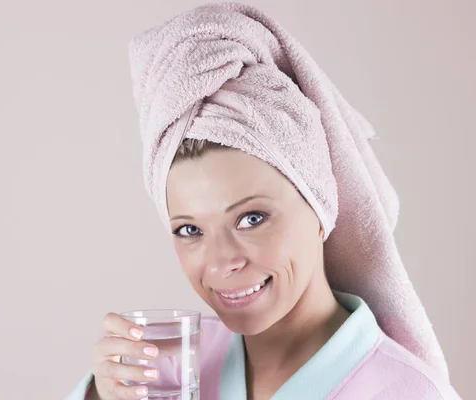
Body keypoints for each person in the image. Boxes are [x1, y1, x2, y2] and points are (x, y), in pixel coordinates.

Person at [67, 3, 461, 399]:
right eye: (189, 229)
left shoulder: (410, 392)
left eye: (251, 218)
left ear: (320, 207)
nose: (222, 262)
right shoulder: (164, 373)